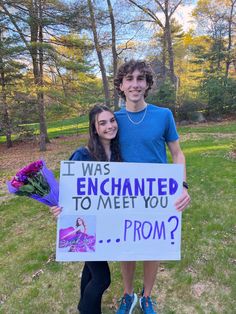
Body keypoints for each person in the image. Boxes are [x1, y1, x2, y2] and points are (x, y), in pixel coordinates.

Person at [114, 59, 191, 314]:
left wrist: (182, 185)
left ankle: (147, 296)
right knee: (126, 245)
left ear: (147, 84)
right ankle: (128, 295)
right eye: (129, 79)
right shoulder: (112, 120)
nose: (135, 84)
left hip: (157, 195)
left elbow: (177, 154)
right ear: (121, 85)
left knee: (152, 245)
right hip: (124, 195)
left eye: (140, 79)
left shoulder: (163, 115)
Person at [50, 104, 122, 314]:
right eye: (103, 123)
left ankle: (85, 306)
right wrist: (58, 209)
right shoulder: (82, 155)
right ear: (94, 128)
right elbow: (66, 192)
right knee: (102, 278)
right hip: (86, 227)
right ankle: (87, 310)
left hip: (107, 225)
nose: (110, 126)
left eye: (112, 120)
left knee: (90, 271)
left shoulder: (118, 153)